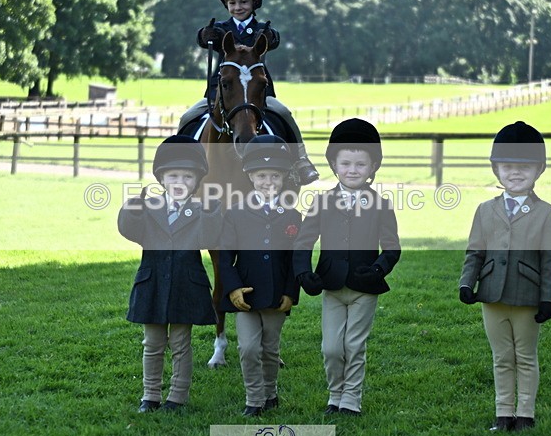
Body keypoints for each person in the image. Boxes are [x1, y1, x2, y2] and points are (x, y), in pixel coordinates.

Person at [292, 118, 401, 416]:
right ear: (334, 165)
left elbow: (392, 248)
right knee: (331, 348)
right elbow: (303, 243)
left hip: (365, 288)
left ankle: (350, 399)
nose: (353, 170)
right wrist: (304, 274)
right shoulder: (321, 202)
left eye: (360, 164)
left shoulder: (381, 205)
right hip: (332, 286)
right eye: (346, 163)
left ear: (372, 167)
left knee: (353, 344)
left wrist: (378, 269)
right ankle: (334, 393)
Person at [458, 121, 551, 432]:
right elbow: (474, 252)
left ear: (539, 170)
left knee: (525, 357)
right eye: (508, 166)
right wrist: (467, 282)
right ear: (496, 170)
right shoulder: (484, 210)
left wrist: (548, 298)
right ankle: (504, 415)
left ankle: (525, 416)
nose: (515, 173)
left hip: (528, 298)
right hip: (491, 295)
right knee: (502, 357)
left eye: (525, 167)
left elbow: (550, 261)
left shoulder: (547, 213)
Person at [179, 0, 319, 186]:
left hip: (256, 92)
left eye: (243, 2)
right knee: (187, 116)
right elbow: (201, 38)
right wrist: (205, 35)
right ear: (226, 5)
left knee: (283, 112)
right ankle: (180, 162)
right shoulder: (221, 28)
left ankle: (302, 161)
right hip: (222, 92)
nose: (238, 7)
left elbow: (273, 39)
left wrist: (270, 37)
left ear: (254, 2)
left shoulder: (262, 29)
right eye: (232, 3)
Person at [117, 135, 222, 413]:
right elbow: (129, 231)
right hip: (152, 285)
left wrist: (212, 213)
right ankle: (150, 396)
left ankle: (177, 397)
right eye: (173, 176)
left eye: (187, 177)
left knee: (180, 344)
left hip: (185, 286)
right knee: (152, 343)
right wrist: (131, 209)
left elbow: (208, 239)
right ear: (161, 180)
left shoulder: (201, 210)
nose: (179, 183)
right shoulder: (148, 207)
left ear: (197, 181)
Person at [219, 135, 302, 417]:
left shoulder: (292, 215)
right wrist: (232, 288)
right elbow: (224, 256)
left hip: (277, 294)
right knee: (248, 348)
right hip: (245, 293)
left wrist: (291, 292)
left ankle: (270, 394)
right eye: (262, 175)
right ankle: (254, 400)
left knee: (270, 349)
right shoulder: (235, 212)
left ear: (284, 178)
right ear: (251, 176)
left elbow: (295, 260)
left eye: (275, 176)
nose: (269, 182)